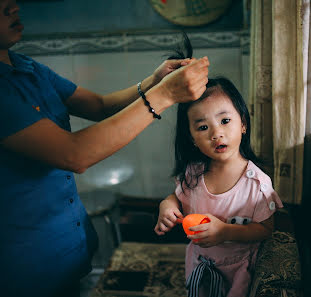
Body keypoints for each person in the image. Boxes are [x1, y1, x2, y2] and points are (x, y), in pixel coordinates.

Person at [0, 1, 209, 296]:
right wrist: (164, 96)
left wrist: (154, 81)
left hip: (64, 250)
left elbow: (98, 105)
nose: (12, 7)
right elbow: (74, 154)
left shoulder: (29, 68)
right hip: (20, 265)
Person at [154, 76, 283, 297]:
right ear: (193, 138)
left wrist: (225, 231)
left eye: (224, 121)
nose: (216, 134)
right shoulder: (194, 174)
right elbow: (177, 196)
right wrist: (167, 205)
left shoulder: (257, 184)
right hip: (199, 263)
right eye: (203, 127)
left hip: (239, 271)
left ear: (243, 123)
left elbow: (265, 229)